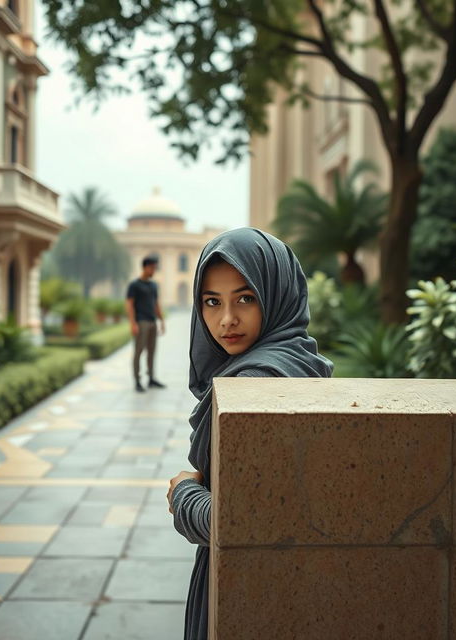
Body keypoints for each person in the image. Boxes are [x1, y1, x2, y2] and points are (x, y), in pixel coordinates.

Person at [167, 228, 333, 640]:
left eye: (245, 298)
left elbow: (242, 521)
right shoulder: (299, 360)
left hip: (254, 587)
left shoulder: (259, 379)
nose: (226, 319)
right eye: (211, 302)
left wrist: (183, 495)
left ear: (276, 294)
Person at [125, 255, 166, 392]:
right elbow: (129, 304)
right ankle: (137, 381)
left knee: (152, 352)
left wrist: (161, 320)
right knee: (138, 352)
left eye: (155, 268)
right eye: (152, 268)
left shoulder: (153, 285)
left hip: (152, 321)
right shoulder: (134, 285)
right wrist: (132, 323)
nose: (154, 270)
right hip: (141, 322)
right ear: (145, 267)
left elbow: (156, 304)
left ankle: (151, 379)